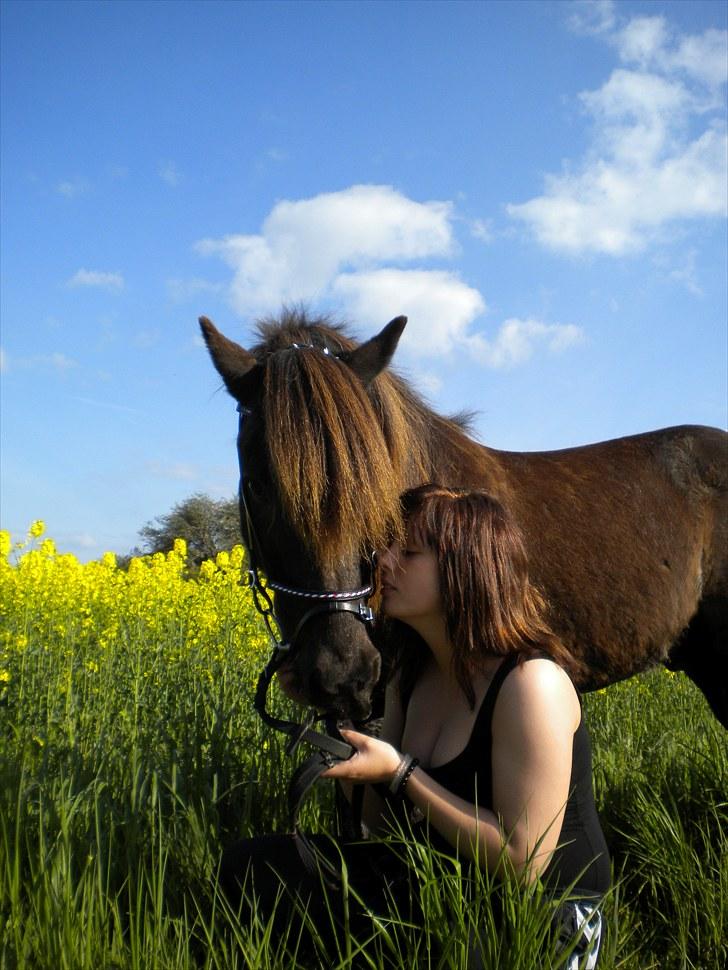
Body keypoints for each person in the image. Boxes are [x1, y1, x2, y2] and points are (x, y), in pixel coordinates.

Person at [219, 484, 610, 967]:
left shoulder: (531, 684)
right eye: (386, 548)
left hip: (540, 915)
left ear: (466, 570)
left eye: (408, 552)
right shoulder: (411, 674)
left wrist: (401, 773)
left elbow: (522, 861)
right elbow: (383, 826)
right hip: (436, 882)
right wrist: (336, 721)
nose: (383, 563)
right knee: (253, 867)